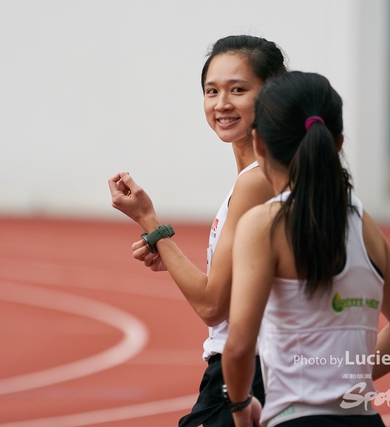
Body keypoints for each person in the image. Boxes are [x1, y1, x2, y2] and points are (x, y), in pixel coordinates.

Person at [222, 71, 390, 427]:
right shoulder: (363, 224)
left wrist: (241, 407)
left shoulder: (263, 225)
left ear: (259, 144)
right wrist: (343, 382)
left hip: (296, 418)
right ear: (338, 143)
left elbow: (240, 346)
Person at [107, 35, 287, 426]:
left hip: (248, 376)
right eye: (212, 91)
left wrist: (150, 223)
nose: (222, 103)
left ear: (273, 95)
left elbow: (212, 305)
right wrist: (169, 258)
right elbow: (237, 288)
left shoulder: (257, 181)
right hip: (266, 370)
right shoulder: (263, 175)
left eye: (238, 90)